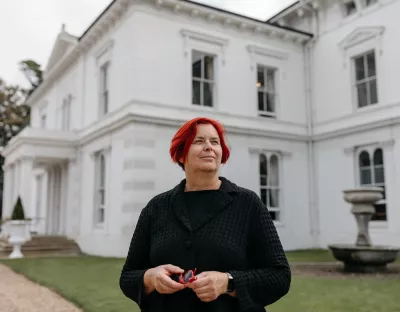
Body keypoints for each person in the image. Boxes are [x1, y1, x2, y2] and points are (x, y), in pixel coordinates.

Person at [119, 117, 291, 312]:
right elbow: (127, 277)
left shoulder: (248, 203)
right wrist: (149, 278)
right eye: (198, 141)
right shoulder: (156, 208)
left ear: (221, 153)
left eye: (214, 142)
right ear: (181, 154)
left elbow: (280, 276)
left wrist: (228, 282)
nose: (209, 147)